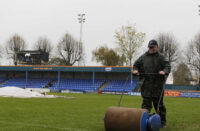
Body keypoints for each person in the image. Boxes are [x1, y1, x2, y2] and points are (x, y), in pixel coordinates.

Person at [133, 39, 171, 128]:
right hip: (146, 85)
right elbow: (136, 65)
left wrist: (164, 71)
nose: (151, 49)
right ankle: (143, 123)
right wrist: (135, 70)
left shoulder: (161, 57)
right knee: (145, 106)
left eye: (153, 47)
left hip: (158, 86)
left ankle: (162, 122)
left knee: (159, 106)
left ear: (157, 46)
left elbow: (167, 66)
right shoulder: (143, 57)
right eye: (150, 47)